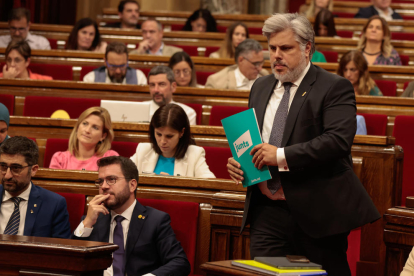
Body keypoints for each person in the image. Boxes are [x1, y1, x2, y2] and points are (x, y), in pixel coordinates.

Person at [226, 13, 380, 276]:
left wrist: (281, 155)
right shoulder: (260, 87)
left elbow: (337, 142)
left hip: (317, 210)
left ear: (307, 48)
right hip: (267, 211)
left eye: (285, 48)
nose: (276, 55)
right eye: (272, 48)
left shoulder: (334, 87)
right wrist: (241, 164)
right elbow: (253, 142)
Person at [72, 155, 191, 276]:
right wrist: (87, 223)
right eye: (100, 181)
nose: (104, 186)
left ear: (132, 185)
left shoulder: (155, 220)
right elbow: (71, 262)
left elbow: (179, 262)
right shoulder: (94, 219)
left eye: (111, 179)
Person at [0, 136, 71, 238]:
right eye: (3, 167)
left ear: (33, 170)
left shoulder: (54, 204)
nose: (7, 175)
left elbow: (62, 249)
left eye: (16, 168)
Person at [131, 104, 215, 178]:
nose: (162, 141)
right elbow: (122, 175)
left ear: (181, 132)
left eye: (169, 136)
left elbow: (210, 184)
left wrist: (172, 183)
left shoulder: (194, 154)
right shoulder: (143, 150)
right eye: (159, 134)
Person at [49, 107, 119, 171]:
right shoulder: (60, 159)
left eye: (95, 127)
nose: (87, 130)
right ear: (77, 128)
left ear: (103, 136)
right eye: (85, 124)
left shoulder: (110, 158)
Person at [83, 41, 147, 84]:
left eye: (122, 66)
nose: (118, 71)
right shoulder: (91, 79)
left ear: (127, 61)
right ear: (105, 62)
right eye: (113, 67)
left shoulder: (139, 78)